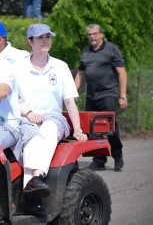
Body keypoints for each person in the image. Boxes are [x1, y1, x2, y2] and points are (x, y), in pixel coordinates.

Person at [12, 23, 87, 215]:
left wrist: (77, 129)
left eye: (48, 36)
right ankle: (33, 191)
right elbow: (12, 101)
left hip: (54, 117)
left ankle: (36, 179)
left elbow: (69, 102)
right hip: (24, 117)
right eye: (40, 37)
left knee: (48, 130)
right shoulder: (17, 68)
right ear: (30, 42)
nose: (45, 40)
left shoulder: (60, 67)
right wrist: (28, 113)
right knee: (31, 139)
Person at [74, 24, 128, 172]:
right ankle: (99, 160)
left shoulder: (111, 49)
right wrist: (72, 91)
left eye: (94, 34)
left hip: (108, 94)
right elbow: (81, 73)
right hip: (91, 95)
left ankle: (117, 155)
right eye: (89, 34)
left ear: (101, 34)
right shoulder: (86, 51)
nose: (92, 37)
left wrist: (123, 96)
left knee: (110, 127)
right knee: (92, 129)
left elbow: (122, 73)